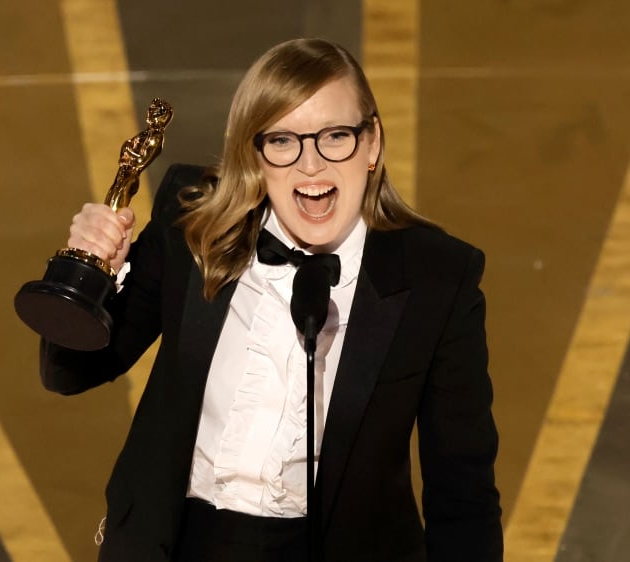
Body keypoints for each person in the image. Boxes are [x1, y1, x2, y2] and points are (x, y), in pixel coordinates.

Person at [40, 38, 503, 562]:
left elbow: (462, 494)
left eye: (335, 136)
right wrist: (85, 270)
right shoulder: (195, 223)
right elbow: (69, 373)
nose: (310, 165)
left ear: (372, 144)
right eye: (283, 140)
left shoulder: (437, 277)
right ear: (255, 154)